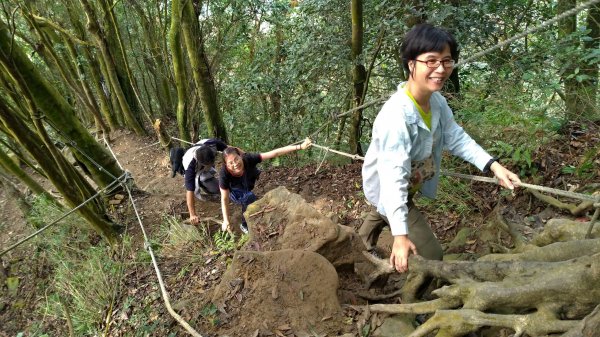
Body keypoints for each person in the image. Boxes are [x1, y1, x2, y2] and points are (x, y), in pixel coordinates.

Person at [360, 23, 521, 274]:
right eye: (431, 61)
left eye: (447, 61)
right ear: (411, 64)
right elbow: (392, 179)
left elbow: (455, 136)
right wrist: (400, 237)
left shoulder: (436, 101)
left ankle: (359, 243)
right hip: (392, 184)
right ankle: (417, 299)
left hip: (408, 181)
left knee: (381, 210)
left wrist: (493, 165)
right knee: (432, 253)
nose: (441, 69)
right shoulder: (395, 116)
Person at [219, 138, 312, 234]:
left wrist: (300, 146)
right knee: (249, 197)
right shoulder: (224, 174)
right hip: (234, 191)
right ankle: (244, 224)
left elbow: (274, 153)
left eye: (236, 159)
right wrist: (226, 220)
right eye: (230, 163)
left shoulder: (248, 158)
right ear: (226, 165)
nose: (235, 164)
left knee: (252, 190)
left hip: (247, 182)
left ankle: (250, 204)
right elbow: (224, 198)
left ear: (240, 156)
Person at [181, 138, 228, 224]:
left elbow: (230, 150)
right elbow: (189, 192)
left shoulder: (212, 144)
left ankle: (207, 178)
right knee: (214, 189)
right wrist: (192, 214)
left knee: (219, 186)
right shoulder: (190, 168)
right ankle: (203, 184)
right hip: (197, 171)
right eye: (208, 164)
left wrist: (244, 156)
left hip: (204, 166)